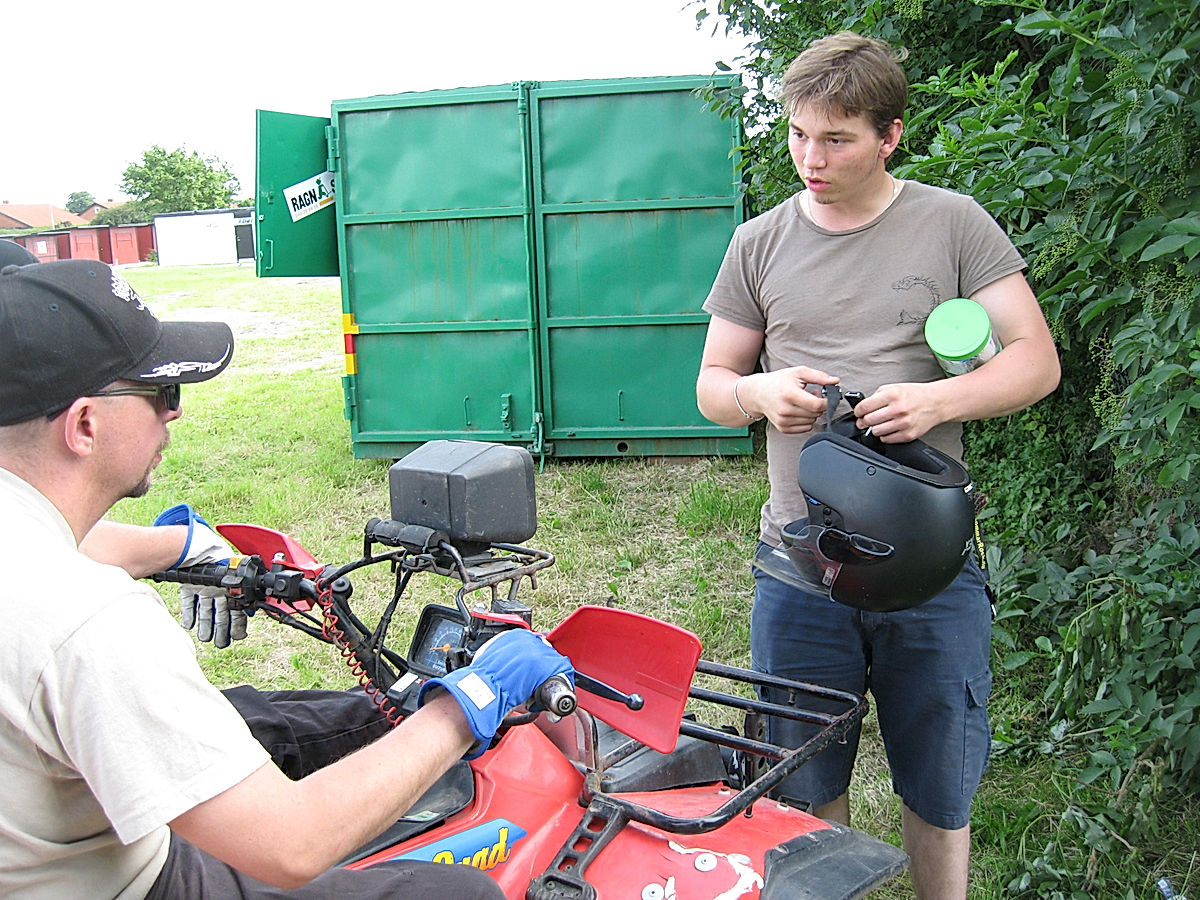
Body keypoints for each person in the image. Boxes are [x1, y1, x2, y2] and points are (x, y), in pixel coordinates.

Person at [0, 259, 573, 899]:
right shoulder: (91, 620)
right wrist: (467, 705)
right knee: (457, 895)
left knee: (309, 717)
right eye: (163, 393)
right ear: (85, 425)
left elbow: (74, 546)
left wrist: (183, 545)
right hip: (130, 883)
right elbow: (293, 844)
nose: (173, 415)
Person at [695, 31, 1060, 900]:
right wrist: (759, 394)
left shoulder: (953, 222)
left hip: (930, 566)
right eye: (798, 135)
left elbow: (1036, 362)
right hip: (801, 565)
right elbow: (712, 385)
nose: (810, 160)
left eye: (837, 139)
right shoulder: (758, 242)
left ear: (890, 135)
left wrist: (936, 402)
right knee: (804, 781)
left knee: (940, 785)